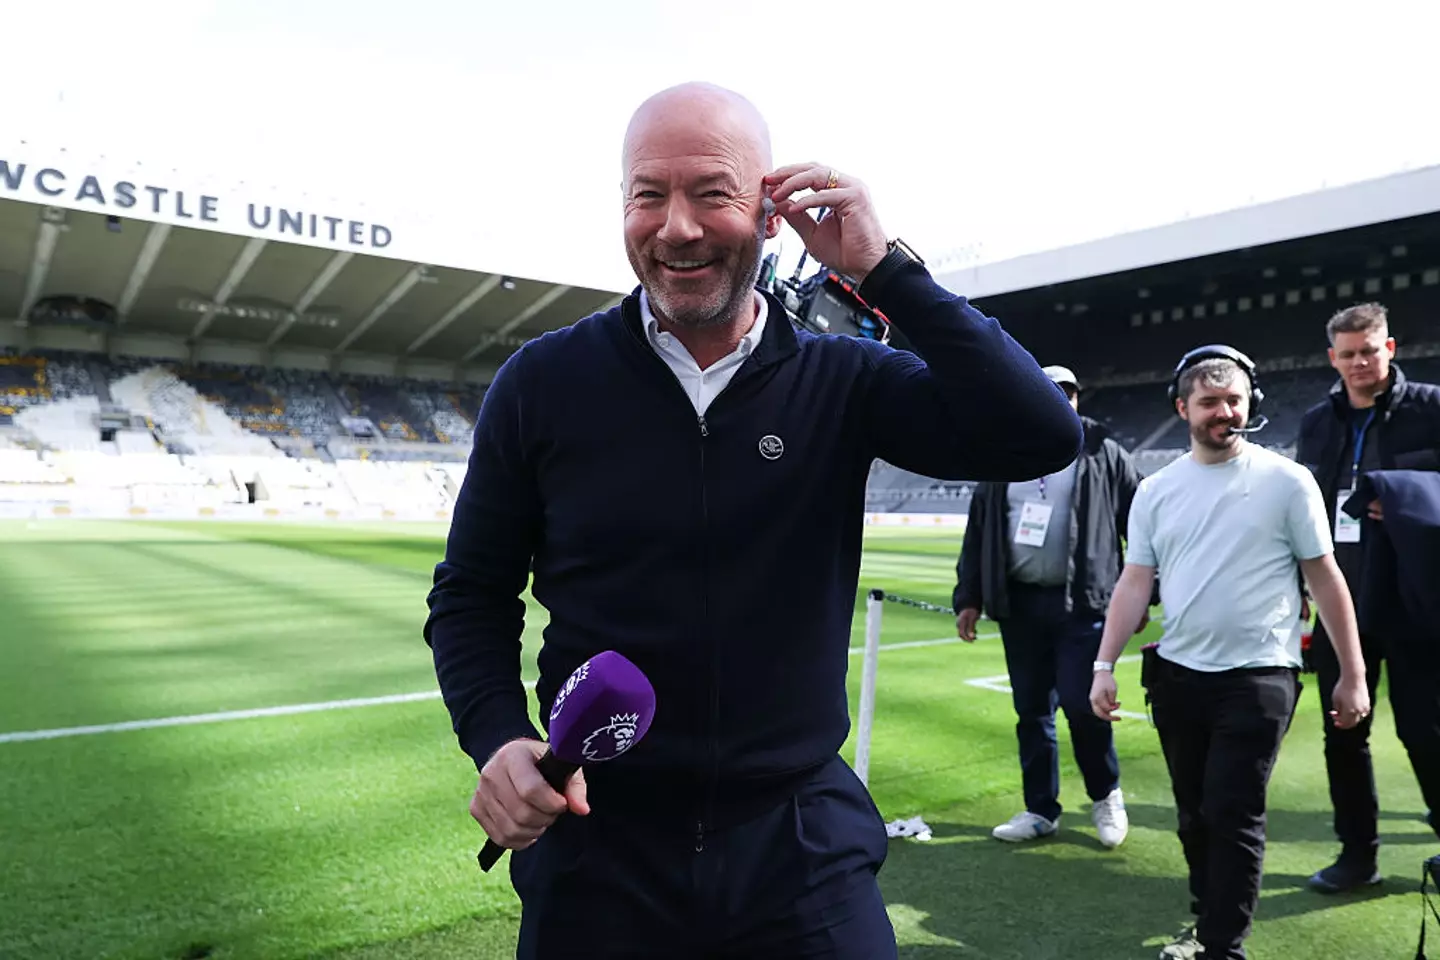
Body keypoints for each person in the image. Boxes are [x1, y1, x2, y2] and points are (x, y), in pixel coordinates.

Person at [423, 81, 1084, 960]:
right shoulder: (543, 383)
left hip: (800, 839)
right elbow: (471, 594)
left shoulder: (844, 379)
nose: (677, 227)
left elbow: (1040, 432)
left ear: (772, 214)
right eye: (647, 195)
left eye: (712, 193)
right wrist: (499, 736)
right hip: (600, 842)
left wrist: (886, 270)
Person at [1089, 344, 1371, 960]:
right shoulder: (1156, 490)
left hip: (1261, 675)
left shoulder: (1287, 481)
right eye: (1211, 401)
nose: (1224, 412)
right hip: (1178, 676)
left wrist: (1351, 673)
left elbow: (1325, 577)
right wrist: (1104, 664)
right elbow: (1136, 579)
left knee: (1232, 811)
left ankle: (1223, 947)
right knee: (1193, 815)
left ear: (1252, 404)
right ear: (1182, 407)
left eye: (1234, 400)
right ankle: (1206, 920)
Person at [952, 364, 1146, 848]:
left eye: (1068, 393)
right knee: (1031, 711)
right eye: (1048, 391)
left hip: (1082, 603)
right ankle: (1041, 809)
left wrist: (1147, 593)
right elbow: (979, 531)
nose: (1059, 399)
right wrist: (969, 597)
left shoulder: (1104, 452)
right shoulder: (1004, 453)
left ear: (1079, 398)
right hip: (1020, 605)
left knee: (1084, 707)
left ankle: (1105, 796)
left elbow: (1144, 523)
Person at [1294, 302, 1440, 893]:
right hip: (1340, 597)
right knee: (1344, 730)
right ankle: (1358, 856)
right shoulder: (1315, 421)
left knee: (1425, 729)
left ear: (1391, 348)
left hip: (1413, 597)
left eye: (1368, 350)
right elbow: (1300, 508)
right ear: (1333, 358)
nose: (1359, 362)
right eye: (1347, 354)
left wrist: (1406, 497)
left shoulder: (1432, 408)